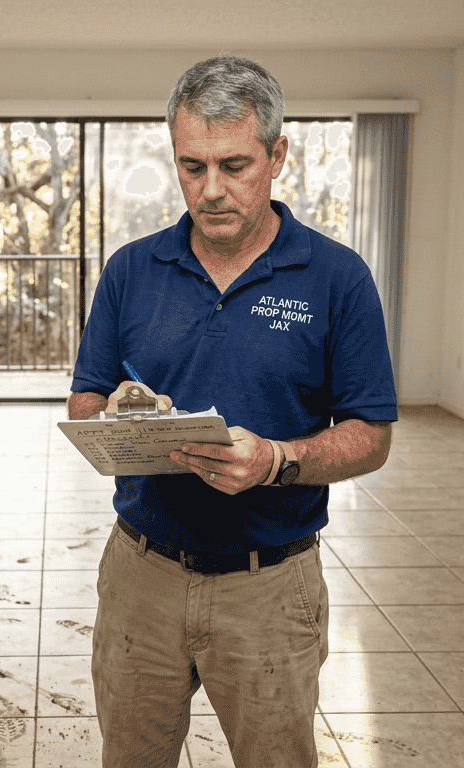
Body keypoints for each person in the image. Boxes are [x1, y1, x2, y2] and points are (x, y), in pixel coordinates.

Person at [67, 56, 398, 768]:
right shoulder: (131, 269)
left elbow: (372, 436)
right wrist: (120, 414)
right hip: (140, 579)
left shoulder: (338, 278)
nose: (211, 191)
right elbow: (87, 398)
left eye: (235, 165)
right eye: (192, 167)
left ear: (278, 155)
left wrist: (277, 460)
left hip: (270, 588)